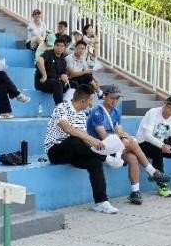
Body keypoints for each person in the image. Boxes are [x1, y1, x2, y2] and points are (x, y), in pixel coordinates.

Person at [44, 84, 122, 214]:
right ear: (83, 101)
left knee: (95, 162)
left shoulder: (81, 114)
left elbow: (85, 138)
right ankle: (107, 158)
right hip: (55, 151)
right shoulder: (61, 108)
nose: (92, 103)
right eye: (91, 100)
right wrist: (92, 139)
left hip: (75, 152)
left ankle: (101, 202)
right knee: (74, 139)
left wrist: (97, 145)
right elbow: (68, 129)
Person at [87, 85, 170, 205]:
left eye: (117, 98)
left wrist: (123, 138)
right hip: (101, 148)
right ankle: (152, 171)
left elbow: (119, 130)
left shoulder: (116, 111)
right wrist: (122, 138)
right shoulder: (97, 112)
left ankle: (135, 192)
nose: (115, 101)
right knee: (130, 140)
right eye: (112, 98)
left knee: (132, 157)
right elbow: (104, 136)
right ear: (104, 96)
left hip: (114, 148)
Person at [35, 37, 70, 105]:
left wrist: (65, 79)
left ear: (64, 48)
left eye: (62, 46)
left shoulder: (63, 60)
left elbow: (63, 74)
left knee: (73, 84)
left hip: (55, 83)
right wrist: (44, 75)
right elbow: (39, 61)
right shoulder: (48, 53)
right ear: (54, 46)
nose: (59, 47)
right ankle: (59, 108)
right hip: (43, 82)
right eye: (57, 45)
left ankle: (69, 107)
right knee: (57, 84)